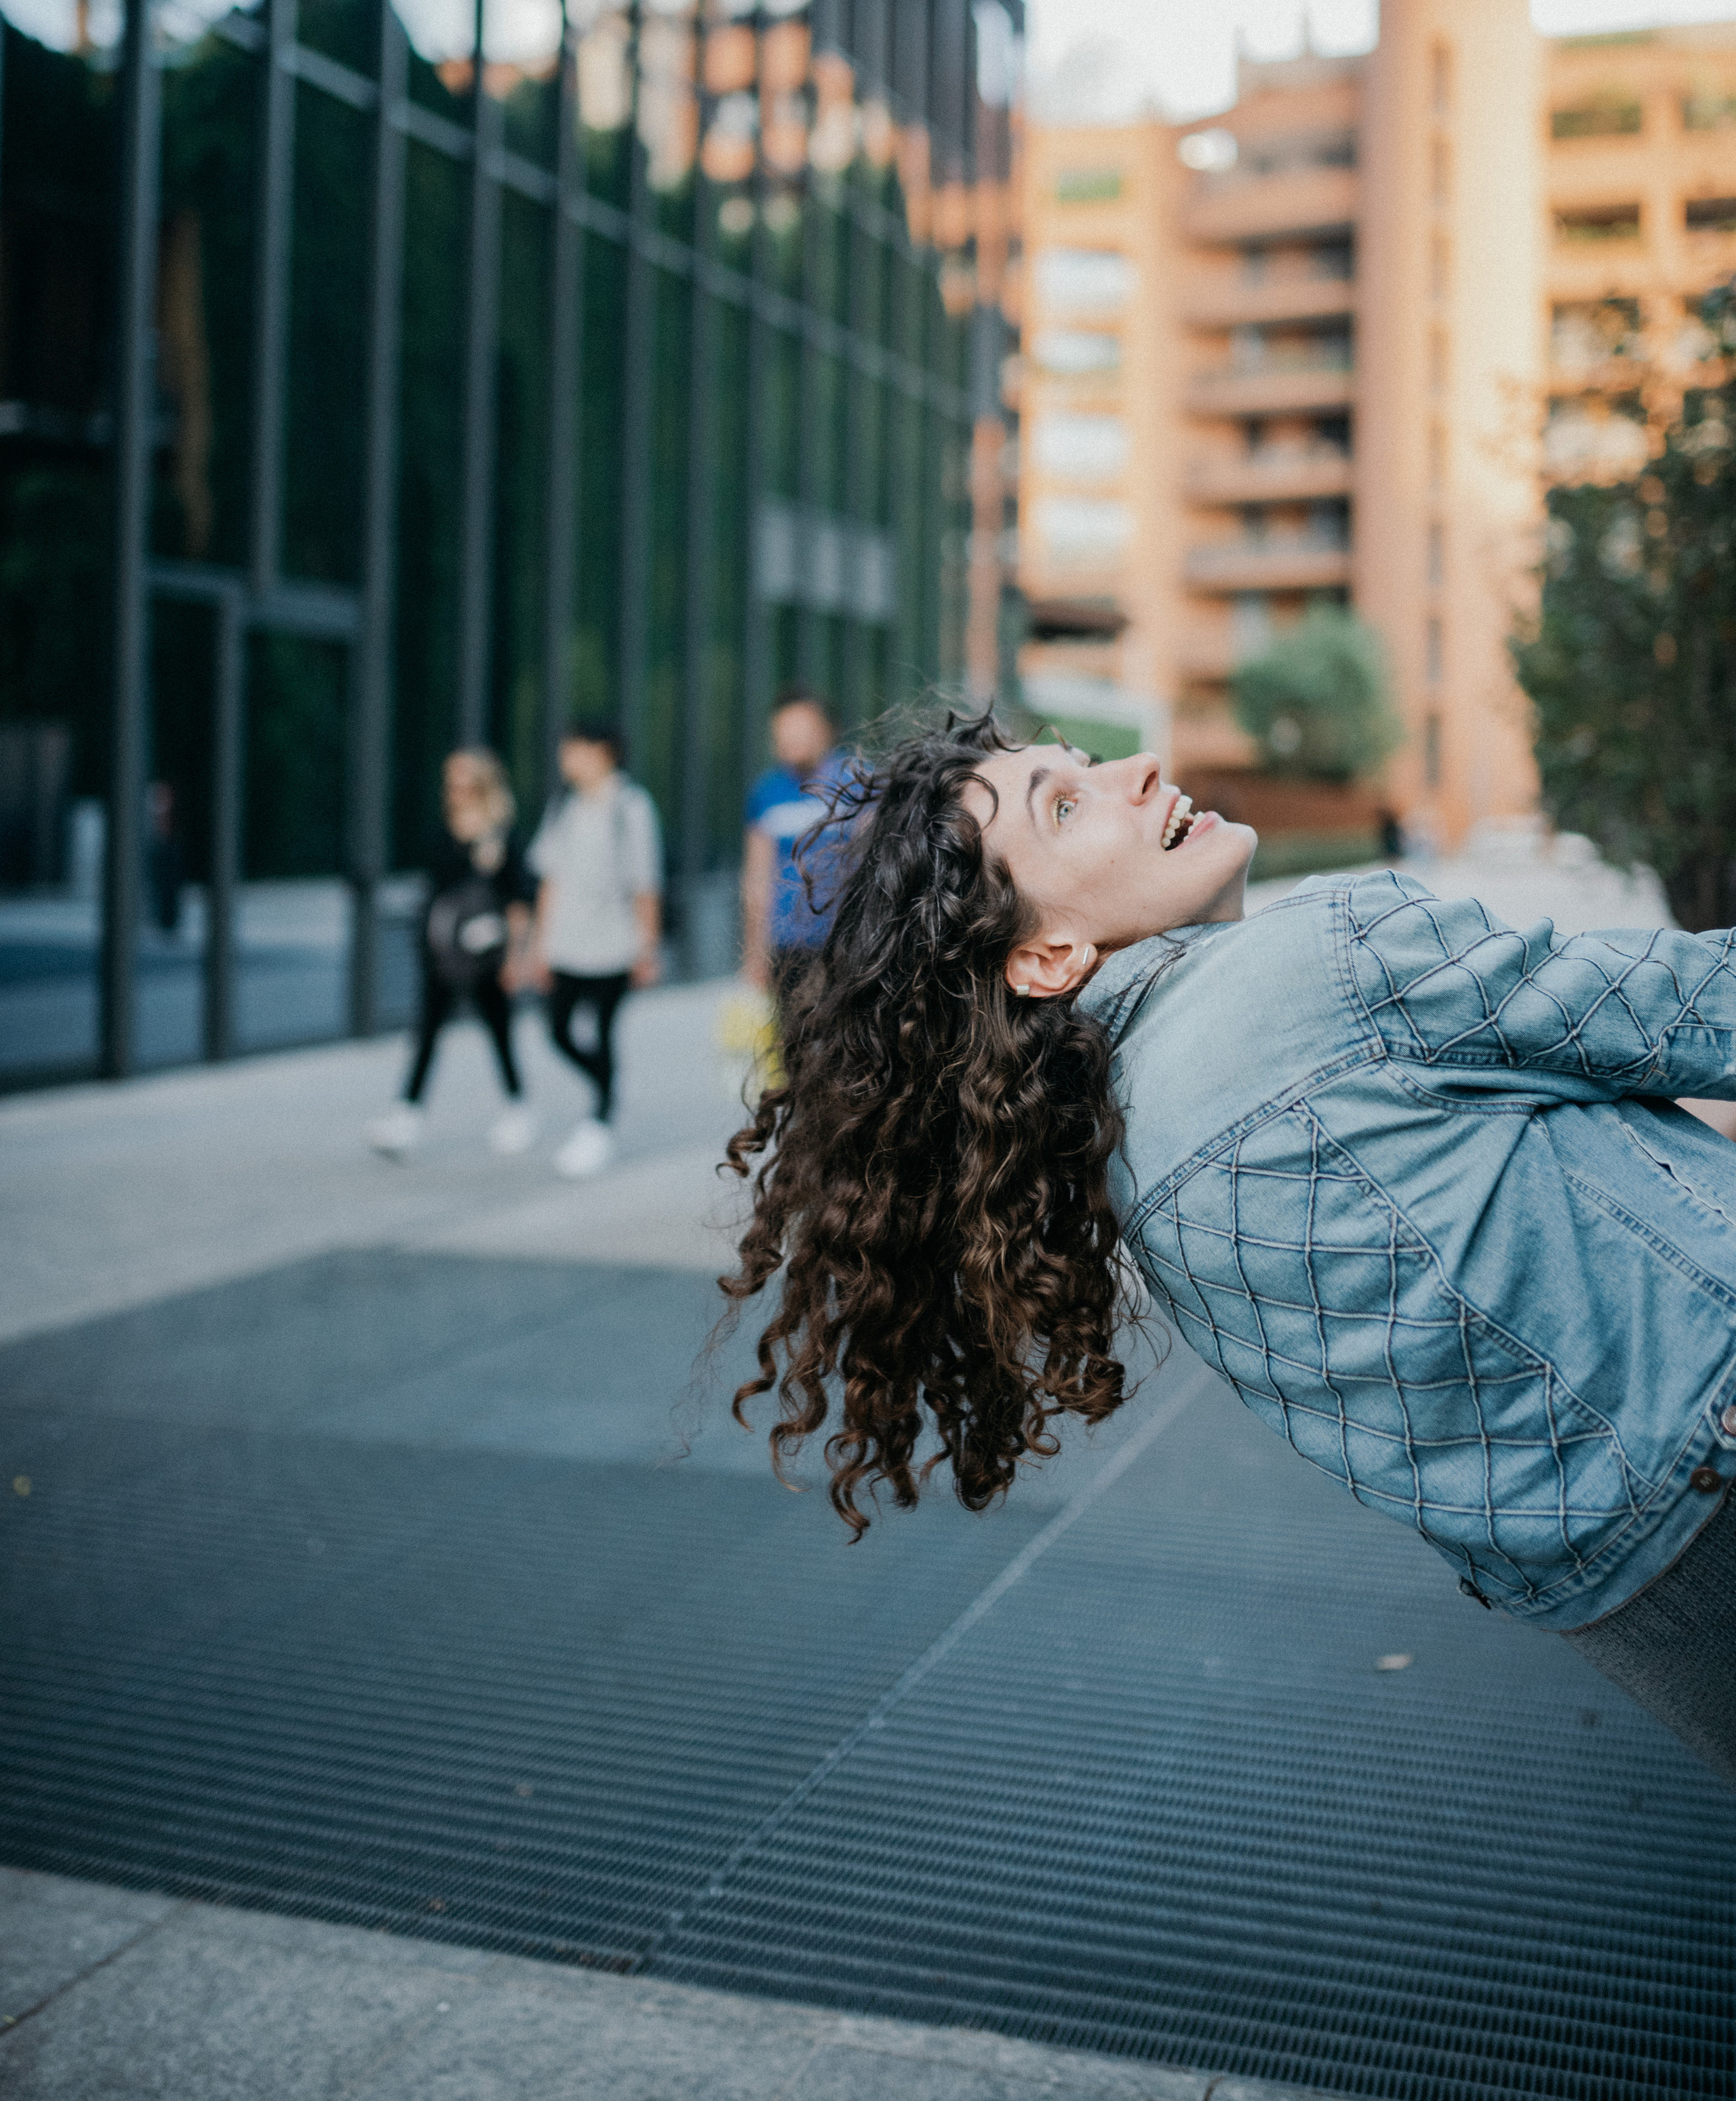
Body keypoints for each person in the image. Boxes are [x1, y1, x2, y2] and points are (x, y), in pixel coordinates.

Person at [719, 711, 1736, 1788]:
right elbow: (1701, 1006)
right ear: (1049, 955)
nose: (1139, 769)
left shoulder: (1125, 1159)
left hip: (1613, 1587)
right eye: (1064, 806)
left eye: (1083, 764)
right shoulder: (1319, 963)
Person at [369, 748, 537, 1158]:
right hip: (442, 951)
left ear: (482, 786)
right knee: (427, 1033)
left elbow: (518, 903)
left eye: (464, 784)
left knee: (499, 1032)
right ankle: (407, 1114)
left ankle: (518, 1108)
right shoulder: (443, 831)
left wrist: (516, 959)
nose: (455, 792)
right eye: (451, 784)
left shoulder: (503, 836)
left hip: (486, 955)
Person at [528, 717, 662, 1179]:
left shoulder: (631, 806)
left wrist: (648, 948)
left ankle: (600, 1120)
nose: (566, 759)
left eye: (573, 749)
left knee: (604, 1031)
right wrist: (538, 946)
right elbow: (550, 880)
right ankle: (606, 1085)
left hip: (614, 944)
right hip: (566, 944)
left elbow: (646, 882)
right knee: (557, 1030)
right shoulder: (563, 806)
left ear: (601, 752)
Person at [741, 687, 850, 1007]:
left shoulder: (858, 784)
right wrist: (754, 953)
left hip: (847, 939)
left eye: (800, 730)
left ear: (825, 730)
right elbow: (757, 879)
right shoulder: (767, 793)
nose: (790, 739)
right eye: (782, 732)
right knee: (793, 1032)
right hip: (788, 945)